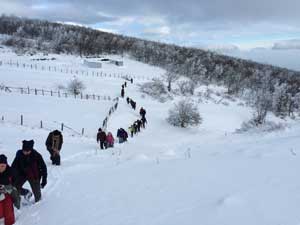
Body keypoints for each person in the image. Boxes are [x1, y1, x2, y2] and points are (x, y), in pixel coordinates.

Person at [0, 155, 20, 225]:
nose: (1, 168)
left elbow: (16, 182)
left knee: (8, 210)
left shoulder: (11, 171)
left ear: (6, 165)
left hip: (8, 192)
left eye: (3, 166)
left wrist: (9, 187)